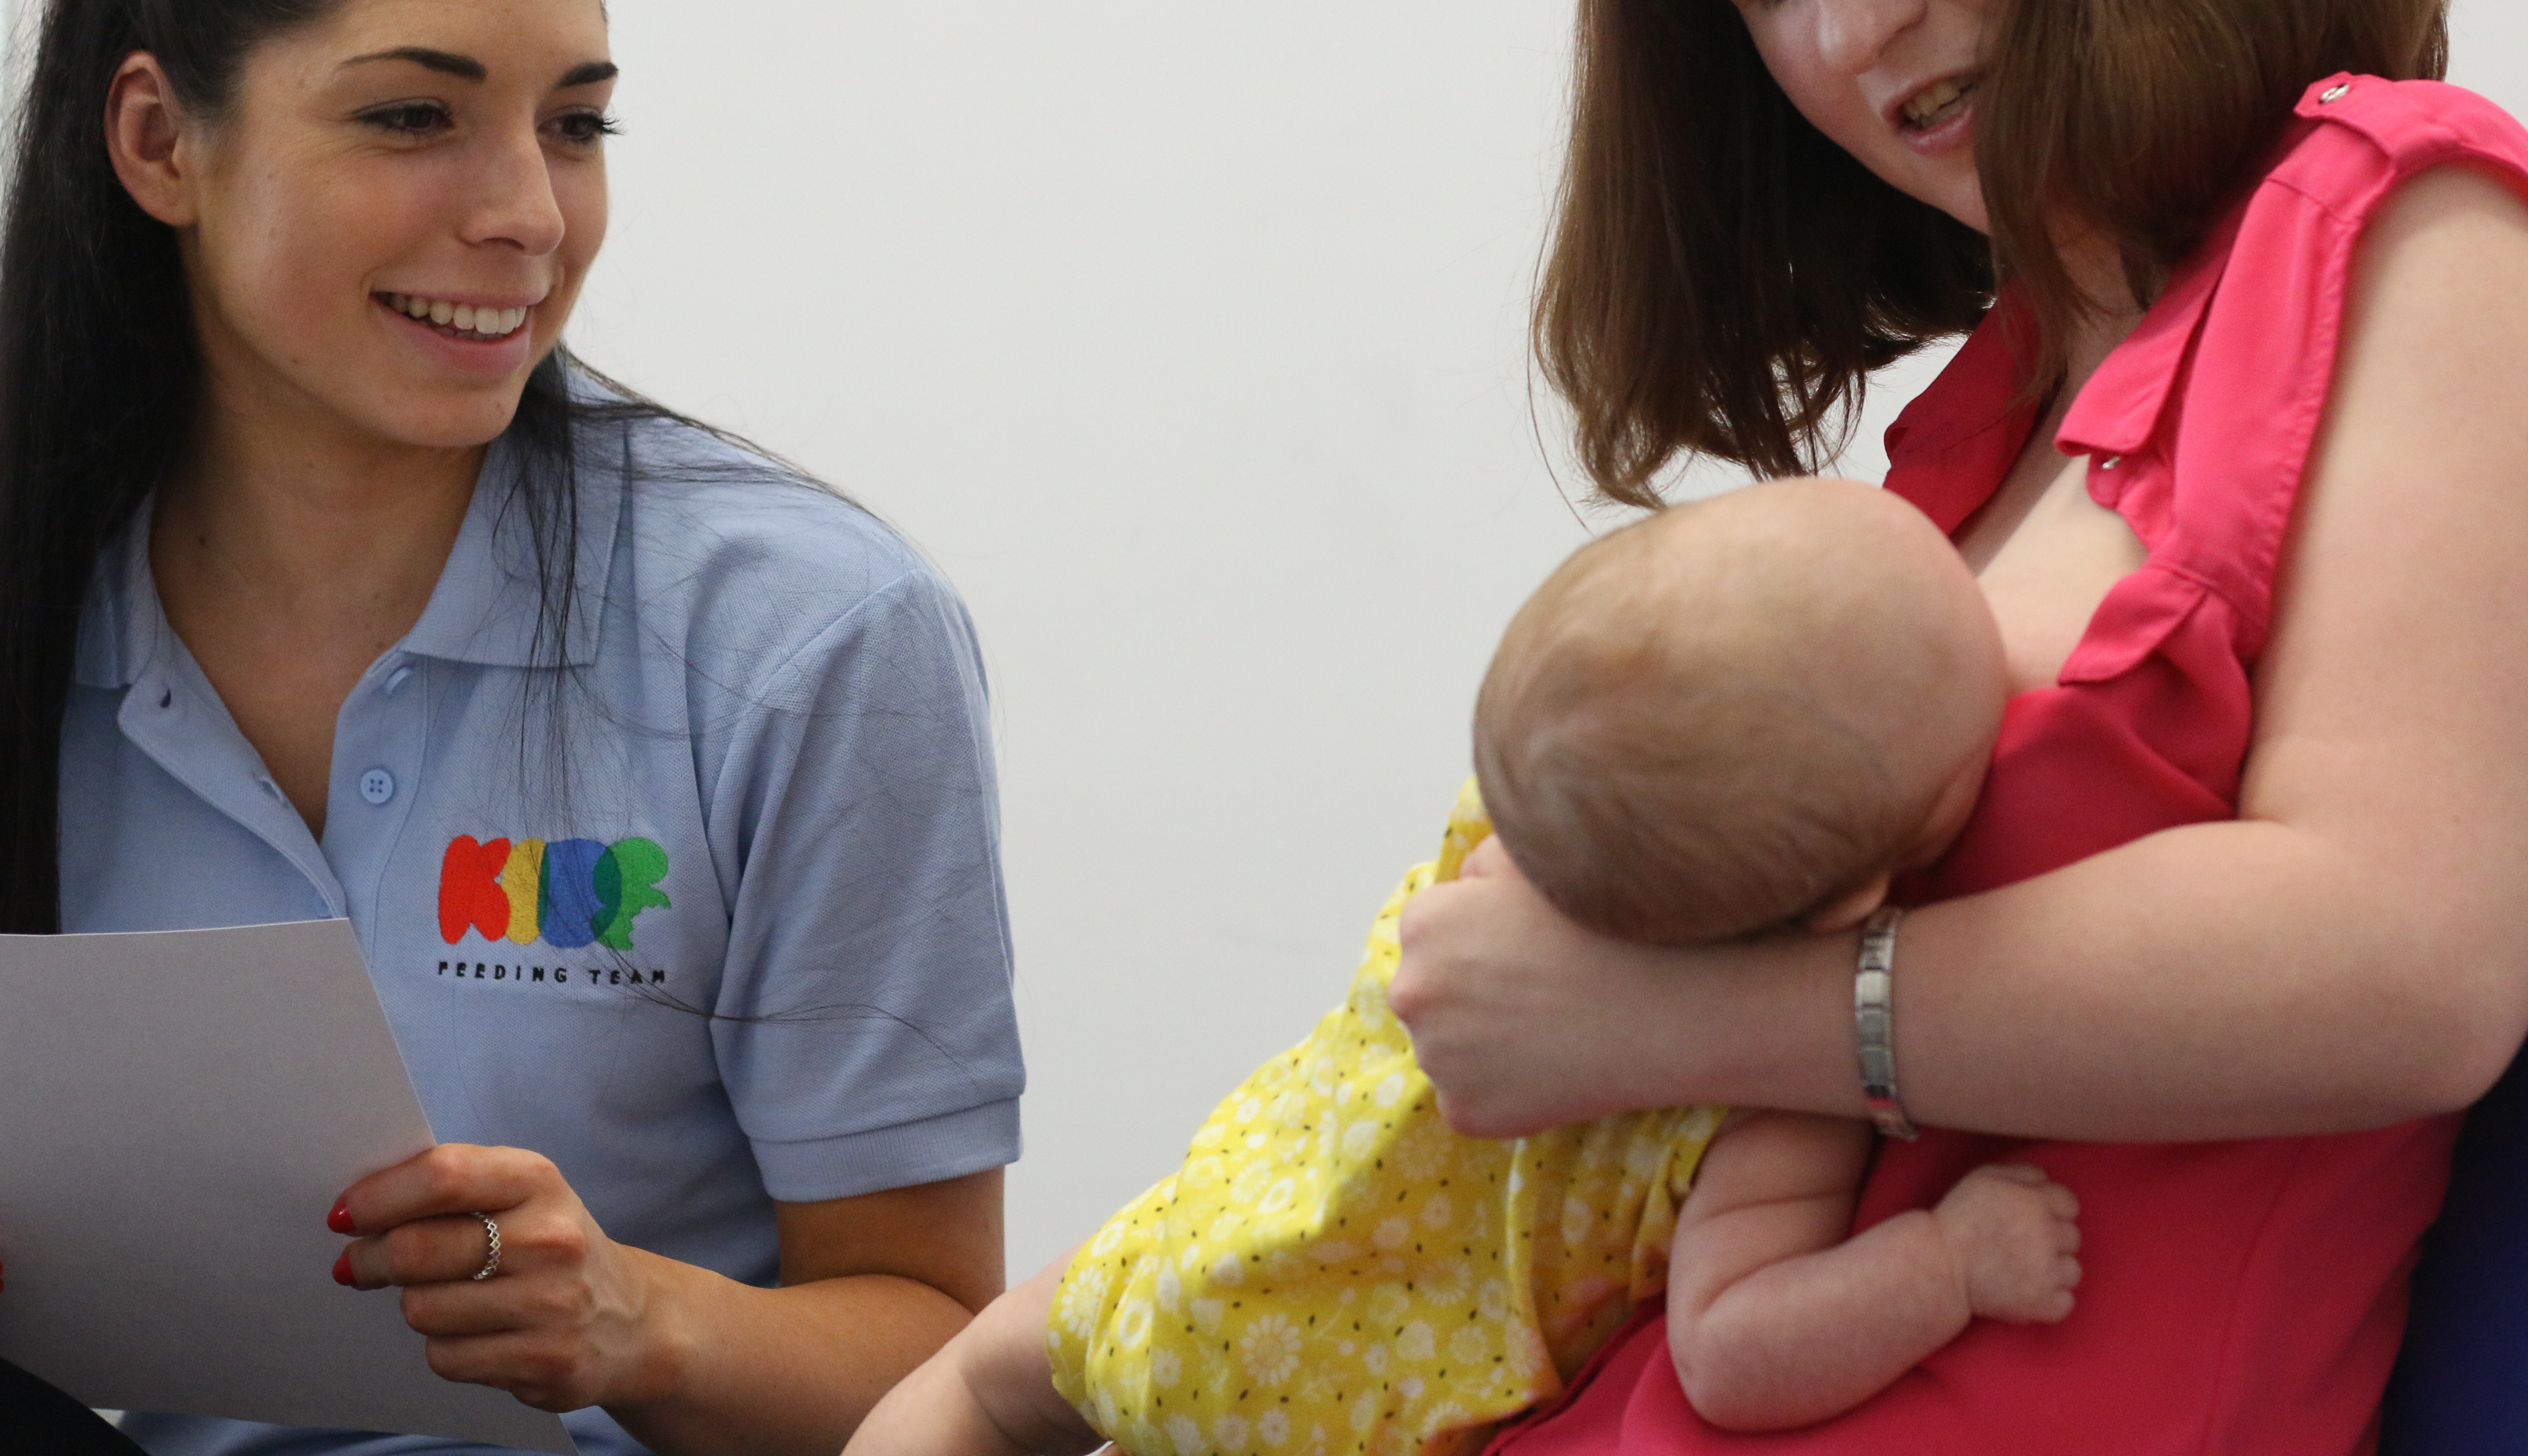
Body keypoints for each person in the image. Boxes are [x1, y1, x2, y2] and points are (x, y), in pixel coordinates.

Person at [1379, 0, 2528, 1453]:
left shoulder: (2421, 230)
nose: (1846, 22)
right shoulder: (1975, 437)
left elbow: (2401, 962)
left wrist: (1669, 1012)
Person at [0, 0, 1022, 1456]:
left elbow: (943, 1359)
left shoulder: (810, 635)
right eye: (413, 116)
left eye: (578, 123)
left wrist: (641, 1318)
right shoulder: (14, 591)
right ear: (160, 141)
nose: (530, 212)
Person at [851, 479, 2082, 1456]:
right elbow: (1736, 1351)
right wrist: (1950, 1265)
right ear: (1864, 898)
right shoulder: (1768, 1092)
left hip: (1205, 1264)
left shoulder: (1520, 847)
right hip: (1336, 1425)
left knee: (977, 1383)